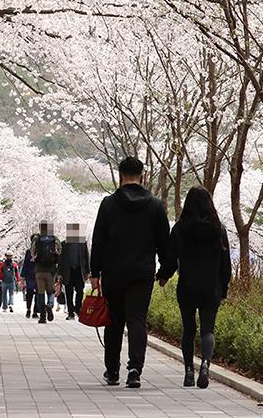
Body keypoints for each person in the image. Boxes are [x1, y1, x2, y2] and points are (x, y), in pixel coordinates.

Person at [91, 155, 170, 389]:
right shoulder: (155, 205)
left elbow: (99, 240)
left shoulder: (108, 204)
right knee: (137, 320)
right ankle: (135, 370)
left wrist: (95, 274)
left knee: (113, 321)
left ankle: (112, 370)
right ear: (142, 176)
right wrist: (165, 269)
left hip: (113, 272)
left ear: (119, 175)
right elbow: (163, 241)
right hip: (142, 272)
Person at [157, 186, 231, 389]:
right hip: (211, 287)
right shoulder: (218, 229)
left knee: (188, 329)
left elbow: (171, 258)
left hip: (187, 286)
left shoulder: (180, 229)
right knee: (208, 329)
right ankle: (206, 365)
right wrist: (224, 285)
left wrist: (163, 276)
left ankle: (189, 370)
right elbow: (225, 263)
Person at [31, 221, 61, 324]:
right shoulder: (55, 239)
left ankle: (42, 316)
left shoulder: (37, 239)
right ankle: (50, 304)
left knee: (40, 292)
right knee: (50, 291)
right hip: (51, 270)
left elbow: (32, 252)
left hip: (39, 270)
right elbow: (59, 252)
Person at [59, 222, 90, 320]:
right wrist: (59, 273)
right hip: (68, 271)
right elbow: (61, 259)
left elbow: (86, 257)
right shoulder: (64, 244)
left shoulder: (82, 243)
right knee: (69, 292)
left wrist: (88, 271)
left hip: (79, 270)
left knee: (80, 291)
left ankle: (78, 308)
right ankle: (71, 312)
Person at [20, 242, 37, 318]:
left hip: (29, 274)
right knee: (38, 293)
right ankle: (35, 311)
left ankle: (29, 309)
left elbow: (25, 264)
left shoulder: (29, 251)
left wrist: (23, 276)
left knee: (29, 293)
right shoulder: (40, 251)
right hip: (38, 274)